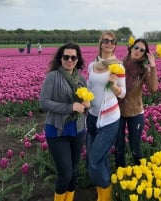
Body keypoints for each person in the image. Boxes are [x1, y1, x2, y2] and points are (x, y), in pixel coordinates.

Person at [39, 42, 90, 201]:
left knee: (74, 171)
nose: (69, 60)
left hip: (78, 130)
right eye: (66, 57)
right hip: (57, 131)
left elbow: (83, 105)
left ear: (77, 59)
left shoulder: (81, 79)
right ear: (60, 59)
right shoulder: (53, 77)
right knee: (65, 172)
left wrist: (86, 104)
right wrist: (70, 107)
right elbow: (44, 103)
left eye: (73, 57)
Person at [86, 31, 126, 201]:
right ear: (101, 43)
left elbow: (123, 93)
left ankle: (105, 197)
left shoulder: (118, 67)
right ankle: (106, 192)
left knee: (94, 162)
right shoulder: (91, 65)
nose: (109, 43)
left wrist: (114, 86)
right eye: (106, 41)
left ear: (115, 45)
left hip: (109, 119)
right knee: (97, 159)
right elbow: (90, 87)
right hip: (92, 117)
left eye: (112, 41)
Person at [115, 38, 158, 168]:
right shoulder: (118, 65)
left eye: (142, 50)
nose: (138, 51)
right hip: (117, 112)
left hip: (135, 112)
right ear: (131, 48)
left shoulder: (143, 70)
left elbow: (153, 88)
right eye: (136, 48)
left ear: (144, 54)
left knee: (135, 145)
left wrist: (153, 65)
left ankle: (141, 172)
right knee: (119, 146)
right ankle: (121, 174)